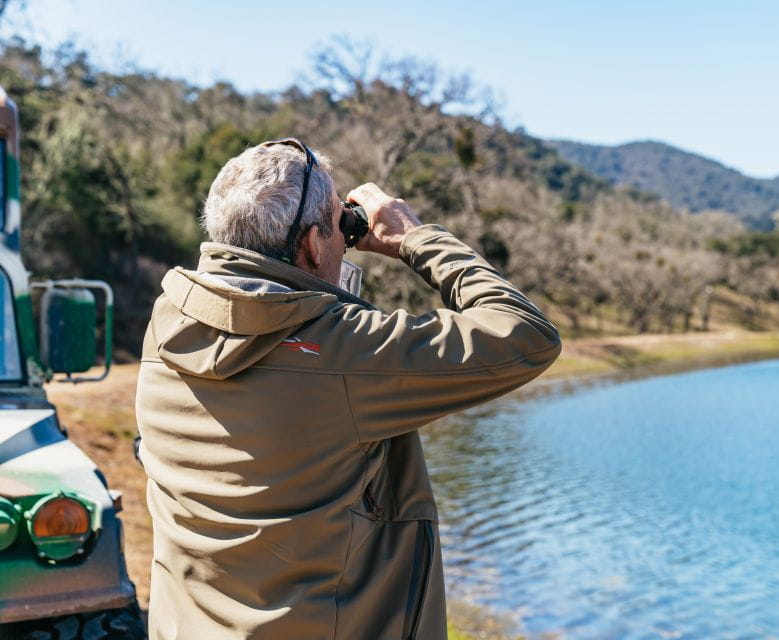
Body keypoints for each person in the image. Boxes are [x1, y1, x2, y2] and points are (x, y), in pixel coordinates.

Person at [135, 138, 561, 639]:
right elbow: (526, 334)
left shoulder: (167, 324)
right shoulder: (343, 354)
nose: (346, 238)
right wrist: (413, 237)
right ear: (314, 244)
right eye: (342, 226)